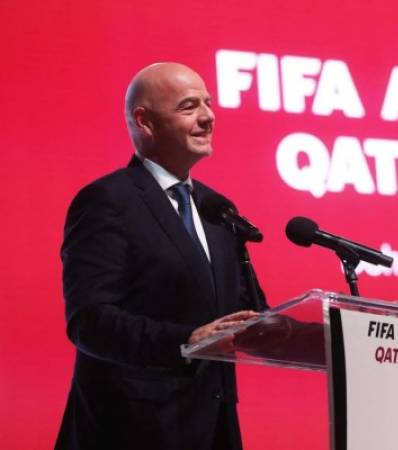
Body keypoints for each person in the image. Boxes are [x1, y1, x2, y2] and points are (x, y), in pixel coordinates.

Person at [55, 62, 266, 450]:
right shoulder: (108, 201)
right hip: (130, 430)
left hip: (213, 430)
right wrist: (185, 341)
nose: (208, 117)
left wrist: (338, 327)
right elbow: (90, 320)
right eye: (189, 107)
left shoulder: (216, 210)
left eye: (208, 102)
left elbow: (247, 314)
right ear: (145, 121)